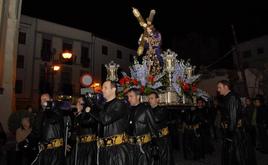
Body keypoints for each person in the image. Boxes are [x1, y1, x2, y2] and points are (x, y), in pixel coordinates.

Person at [88, 80, 130, 165]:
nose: (102, 90)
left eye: (105, 88)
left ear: (113, 89)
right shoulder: (103, 105)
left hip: (117, 150)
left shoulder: (120, 104)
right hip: (103, 149)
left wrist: (94, 106)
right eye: (102, 88)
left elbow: (106, 119)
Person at [217, 80, 256, 165]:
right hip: (232, 132)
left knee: (237, 156)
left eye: (220, 87)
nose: (218, 90)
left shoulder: (232, 97)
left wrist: (229, 135)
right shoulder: (227, 97)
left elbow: (233, 118)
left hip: (235, 134)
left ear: (226, 87)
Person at [29, 93, 65, 165]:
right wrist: (28, 141)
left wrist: (50, 107)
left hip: (56, 151)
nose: (44, 101)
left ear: (51, 100)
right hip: (44, 151)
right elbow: (36, 132)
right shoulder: (40, 114)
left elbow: (55, 119)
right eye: (42, 100)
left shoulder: (57, 111)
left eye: (46, 99)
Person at [127, 88, 158, 165]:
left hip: (143, 147)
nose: (129, 99)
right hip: (130, 148)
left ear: (138, 97)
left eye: (131, 96)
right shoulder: (128, 110)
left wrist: (155, 147)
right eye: (128, 97)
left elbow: (153, 127)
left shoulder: (146, 109)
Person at [69, 97, 97, 165]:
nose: (77, 104)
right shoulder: (76, 116)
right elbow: (74, 132)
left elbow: (85, 123)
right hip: (79, 146)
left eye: (80, 103)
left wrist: (81, 113)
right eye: (77, 102)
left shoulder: (88, 115)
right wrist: (69, 143)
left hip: (89, 146)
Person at [147, 91, 173, 165]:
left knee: (164, 160)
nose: (149, 100)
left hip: (163, 139)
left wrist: (146, 112)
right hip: (152, 139)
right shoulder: (148, 110)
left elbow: (156, 119)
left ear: (157, 100)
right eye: (148, 98)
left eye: (151, 98)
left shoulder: (162, 109)